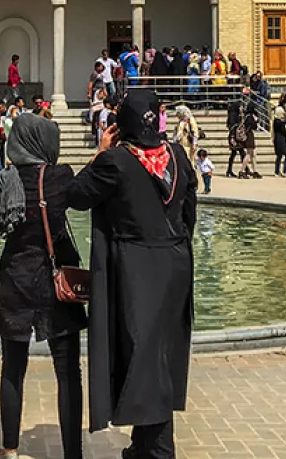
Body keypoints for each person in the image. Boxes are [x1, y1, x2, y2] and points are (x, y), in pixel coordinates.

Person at [68, 89, 197, 458]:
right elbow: (189, 210)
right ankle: (145, 444)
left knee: (143, 356)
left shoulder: (116, 162)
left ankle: (158, 451)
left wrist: (99, 152)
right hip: (175, 263)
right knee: (159, 353)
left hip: (137, 267)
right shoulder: (177, 155)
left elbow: (77, 195)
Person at [0, 113, 87, 459]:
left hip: (15, 278)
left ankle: (10, 448)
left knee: (12, 367)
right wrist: (101, 153)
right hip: (54, 282)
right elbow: (82, 194)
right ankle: (72, 453)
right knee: (68, 372)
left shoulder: (3, 180)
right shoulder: (58, 177)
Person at [272, 95, 286, 177]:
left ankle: (277, 171)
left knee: (279, 156)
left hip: (279, 139)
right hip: (280, 139)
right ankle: (285, 171)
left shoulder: (277, 121)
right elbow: (285, 123)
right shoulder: (278, 121)